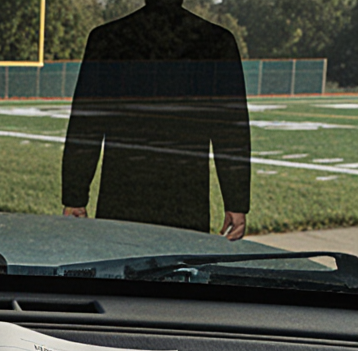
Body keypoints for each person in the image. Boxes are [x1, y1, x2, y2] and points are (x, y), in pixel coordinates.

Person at [60, 0, 251, 240]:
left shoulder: (106, 40)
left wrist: (74, 198)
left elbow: (85, 127)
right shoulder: (217, 42)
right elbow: (231, 132)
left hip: (121, 197)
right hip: (186, 200)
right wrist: (236, 202)